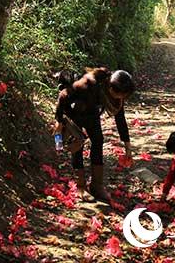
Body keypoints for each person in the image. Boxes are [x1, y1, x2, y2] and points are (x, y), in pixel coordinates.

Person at [54, 67, 135, 202]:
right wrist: (59, 122)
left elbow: (120, 119)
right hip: (74, 110)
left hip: (91, 112)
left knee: (98, 141)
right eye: (122, 95)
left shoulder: (116, 96)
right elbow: (63, 96)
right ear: (111, 89)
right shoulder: (87, 83)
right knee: (78, 144)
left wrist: (128, 147)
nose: (123, 99)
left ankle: (97, 185)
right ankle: (80, 186)